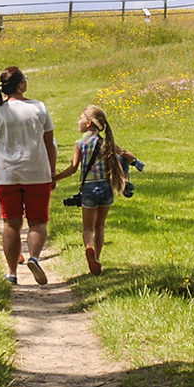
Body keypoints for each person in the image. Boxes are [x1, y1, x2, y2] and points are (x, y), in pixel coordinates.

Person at [0, 66, 56, 285]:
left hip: (6, 175)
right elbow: (50, 145)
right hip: (37, 173)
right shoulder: (39, 108)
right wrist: (53, 172)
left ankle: (12, 273)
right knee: (38, 223)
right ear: (21, 85)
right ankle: (35, 258)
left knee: (11, 225)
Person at [58, 104, 135, 274]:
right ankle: (97, 259)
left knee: (87, 228)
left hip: (89, 189)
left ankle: (89, 247)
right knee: (100, 225)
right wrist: (133, 162)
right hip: (107, 188)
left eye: (81, 118)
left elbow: (72, 168)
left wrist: (55, 178)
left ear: (89, 124)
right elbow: (128, 157)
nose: (78, 121)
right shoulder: (107, 142)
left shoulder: (80, 143)